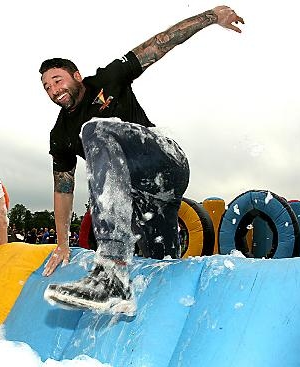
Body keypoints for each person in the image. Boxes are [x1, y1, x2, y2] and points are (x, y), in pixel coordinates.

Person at [39, 6, 244, 315]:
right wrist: (62, 244)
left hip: (165, 161)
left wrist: (211, 16)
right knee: (160, 263)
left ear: (77, 76)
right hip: (142, 197)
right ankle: (160, 309)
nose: (54, 91)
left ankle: (110, 273)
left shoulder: (108, 79)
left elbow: (160, 42)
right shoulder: (59, 134)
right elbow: (63, 190)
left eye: (57, 80)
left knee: (93, 130)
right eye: (47, 88)